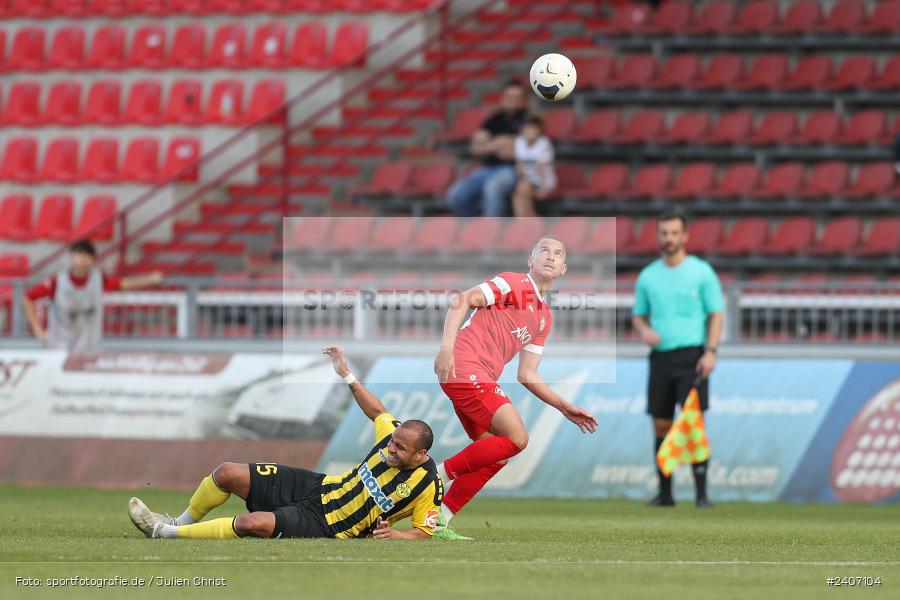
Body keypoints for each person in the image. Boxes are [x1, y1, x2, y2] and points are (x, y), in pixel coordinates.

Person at [129, 345, 443, 541]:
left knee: (252, 523)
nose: (391, 449)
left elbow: (423, 532)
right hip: (318, 487)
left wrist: (395, 536)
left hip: (329, 526)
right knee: (227, 473)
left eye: (400, 449)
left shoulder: (428, 484)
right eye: (392, 443)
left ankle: (167, 533)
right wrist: (346, 374)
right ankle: (176, 521)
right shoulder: (393, 436)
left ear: (421, 454)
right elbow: (378, 412)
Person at [432, 236, 597, 540]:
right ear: (530, 260)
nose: (550, 256)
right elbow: (462, 300)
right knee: (518, 437)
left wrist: (564, 406)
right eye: (543, 251)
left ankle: (436, 519)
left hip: (476, 377)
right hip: (464, 366)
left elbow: (528, 374)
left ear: (563, 268)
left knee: (496, 455)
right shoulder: (513, 283)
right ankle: (434, 476)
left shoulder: (544, 318)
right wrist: (446, 348)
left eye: (557, 254)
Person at [631, 212, 724, 508]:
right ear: (658, 236)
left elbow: (717, 313)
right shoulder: (648, 276)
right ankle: (665, 494)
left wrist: (711, 351)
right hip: (660, 358)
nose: (668, 238)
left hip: (692, 357)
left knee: (693, 424)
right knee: (660, 425)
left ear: (685, 236)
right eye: (664, 233)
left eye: (674, 233)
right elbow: (638, 314)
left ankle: (701, 495)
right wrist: (644, 330)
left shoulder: (701, 272)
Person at [20, 239, 163, 353]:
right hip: (58, 348)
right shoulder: (57, 282)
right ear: (71, 256)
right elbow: (27, 298)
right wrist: (37, 328)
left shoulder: (99, 279)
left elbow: (123, 284)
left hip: (88, 349)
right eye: (79, 253)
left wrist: (149, 280)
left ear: (93, 260)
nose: (82, 258)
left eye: (87, 255)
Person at [446, 80, 529, 217]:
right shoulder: (494, 120)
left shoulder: (529, 119)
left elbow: (512, 151)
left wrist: (490, 144)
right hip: (488, 169)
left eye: (517, 98)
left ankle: (491, 232)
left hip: (513, 170)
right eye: (509, 97)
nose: (512, 101)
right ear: (502, 99)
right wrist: (498, 144)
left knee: (492, 188)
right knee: (456, 194)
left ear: (524, 101)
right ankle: (478, 226)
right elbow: (475, 148)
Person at [512, 115, 557, 217]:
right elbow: (519, 165)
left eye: (533, 129)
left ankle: (526, 223)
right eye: (527, 128)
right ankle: (527, 221)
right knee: (519, 196)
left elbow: (542, 168)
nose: (529, 132)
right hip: (527, 180)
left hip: (543, 181)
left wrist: (543, 188)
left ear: (539, 131)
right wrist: (522, 177)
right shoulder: (519, 142)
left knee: (522, 190)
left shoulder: (544, 143)